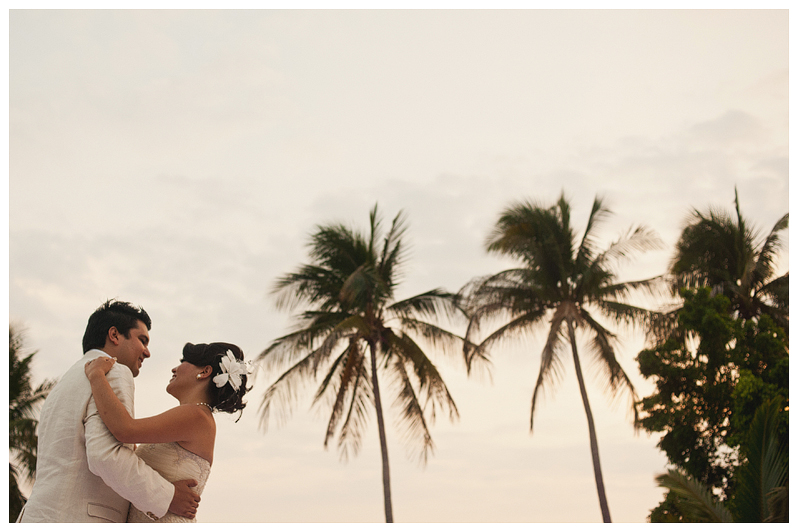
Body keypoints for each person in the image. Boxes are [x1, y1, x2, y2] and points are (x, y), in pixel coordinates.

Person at [19, 300, 200, 522]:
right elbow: (105, 456)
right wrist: (168, 496)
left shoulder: (65, 381)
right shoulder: (112, 371)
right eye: (142, 340)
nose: (147, 352)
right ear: (114, 335)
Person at [84, 340, 250, 523]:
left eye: (183, 361)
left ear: (204, 372)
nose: (174, 369)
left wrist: (97, 375)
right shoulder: (196, 417)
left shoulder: (196, 416)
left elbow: (124, 429)